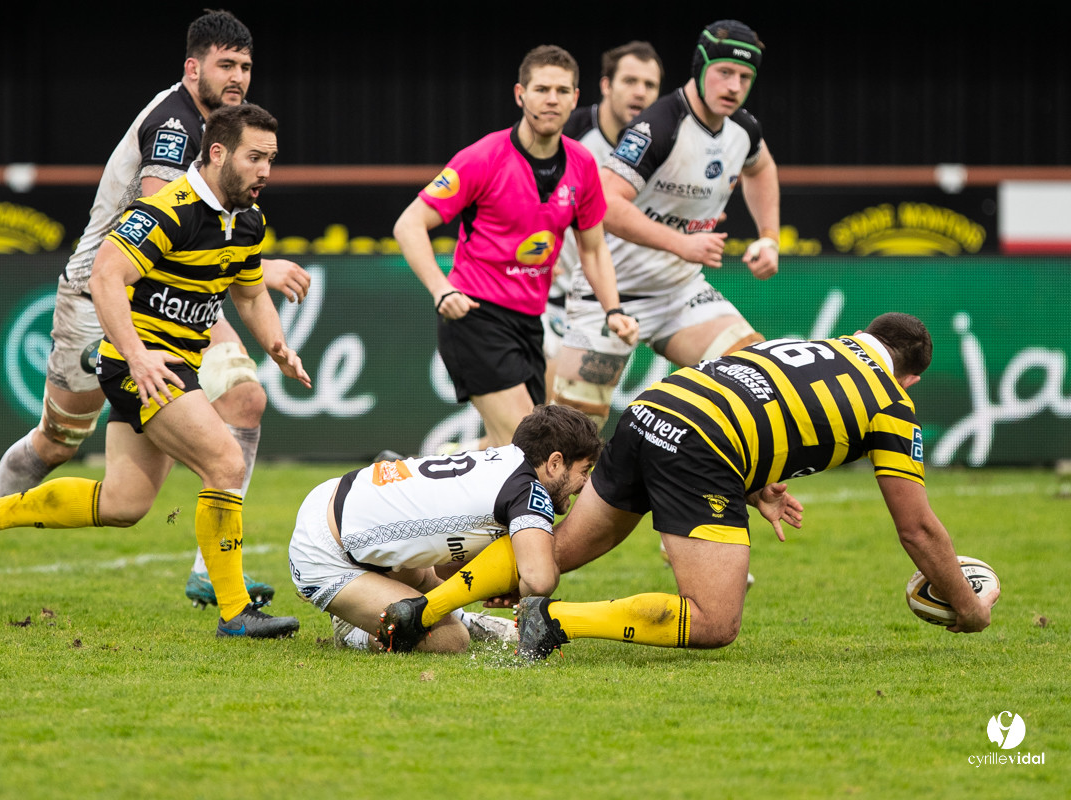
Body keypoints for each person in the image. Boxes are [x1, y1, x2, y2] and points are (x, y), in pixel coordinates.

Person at [0, 9, 312, 611]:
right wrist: (255, 267)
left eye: (245, 65)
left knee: (244, 399)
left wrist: (252, 289)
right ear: (193, 68)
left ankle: (212, 571)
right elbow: (162, 226)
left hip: (172, 297)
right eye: (226, 65)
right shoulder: (174, 125)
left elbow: (214, 239)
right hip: (104, 293)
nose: (239, 76)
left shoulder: (227, 131)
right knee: (58, 443)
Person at [396, 314, 1000, 659]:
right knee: (714, 622)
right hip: (701, 448)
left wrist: (758, 481)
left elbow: (762, 400)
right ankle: (554, 626)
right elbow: (916, 528)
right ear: (912, 376)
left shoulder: (814, 345)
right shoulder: (892, 403)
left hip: (651, 410)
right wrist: (968, 608)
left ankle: (419, 608)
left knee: (552, 555)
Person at [394, 45, 638, 452]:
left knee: (501, 450)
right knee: (530, 448)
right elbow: (409, 224)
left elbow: (593, 250)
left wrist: (613, 309)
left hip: (529, 323)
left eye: (562, 90)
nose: (552, 99)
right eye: (542, 89)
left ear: (576, 98)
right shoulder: (483, 158)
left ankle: (417, 472)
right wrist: (442, 290)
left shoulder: (582, 165)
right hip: (475, 317)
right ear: (519, 94)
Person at [553, 20, 780, 430]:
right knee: (570, 434)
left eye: (745, 76)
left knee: (757, 382)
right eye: (724, 72)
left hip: (680, 292)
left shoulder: (743, 128)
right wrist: (682, 243)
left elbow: (761, 167)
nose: (734, 85)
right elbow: (603, 204)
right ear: (700, 68)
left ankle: (760, 492)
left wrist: (769, 238)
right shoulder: (661, 123)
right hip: (611, 296)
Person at [287, 405, 602, 653]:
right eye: (584, 471)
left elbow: (446, 568)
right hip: (325, 553)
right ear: (555, 462)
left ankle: (466, 619)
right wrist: (517, 579)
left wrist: (500, 578)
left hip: (333, 499)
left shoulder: (504, 458)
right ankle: (349, 629)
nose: (584, 484)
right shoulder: (529, 491)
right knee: (450, 640)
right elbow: (540, 580)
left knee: (428, 579)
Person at [543, 41, 663, 401]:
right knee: (540, 417)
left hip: (618, 297)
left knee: (553, 426)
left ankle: (461, 455)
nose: (640, 92)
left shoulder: (662, 140)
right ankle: (459, 456)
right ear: (606, 85)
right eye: (629, 80)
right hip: (554, 296)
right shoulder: (569, 132)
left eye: (650, 85)